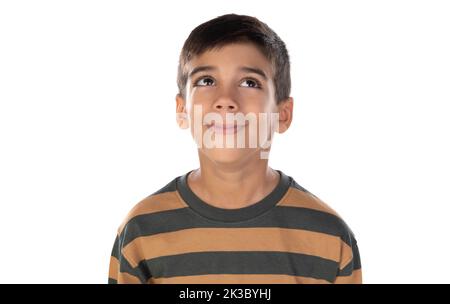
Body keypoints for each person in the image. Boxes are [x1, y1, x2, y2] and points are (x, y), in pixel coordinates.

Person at [108, 14, 362, 284]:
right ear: (182, 110)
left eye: (249, 83)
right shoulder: (141, 233)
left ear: (282, 114)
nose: (226, 100)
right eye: (206, 81)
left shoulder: (330, 239)